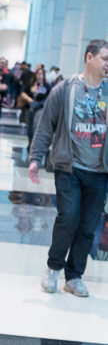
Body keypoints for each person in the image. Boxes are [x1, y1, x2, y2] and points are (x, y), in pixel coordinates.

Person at [30, 38, 108, 297]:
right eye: (105, 59)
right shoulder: (64, 89)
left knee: (88, 226)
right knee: (69, 218)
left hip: (100, 171)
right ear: (89, 57)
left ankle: (74, 277)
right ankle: (53, 269)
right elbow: (45, 126)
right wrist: (35, 157)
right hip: (69, 167)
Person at [19, 66, 50, 149]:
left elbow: (49, 96)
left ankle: (35, 143)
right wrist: (28, 99)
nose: (40, 76)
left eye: (41, 74)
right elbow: (23, 93)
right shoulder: (30, 84)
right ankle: (30, 141)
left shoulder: (46, 86)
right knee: (29, 126)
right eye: (38, 74)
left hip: (40, 108)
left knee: (36, 124)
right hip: (30, 107)